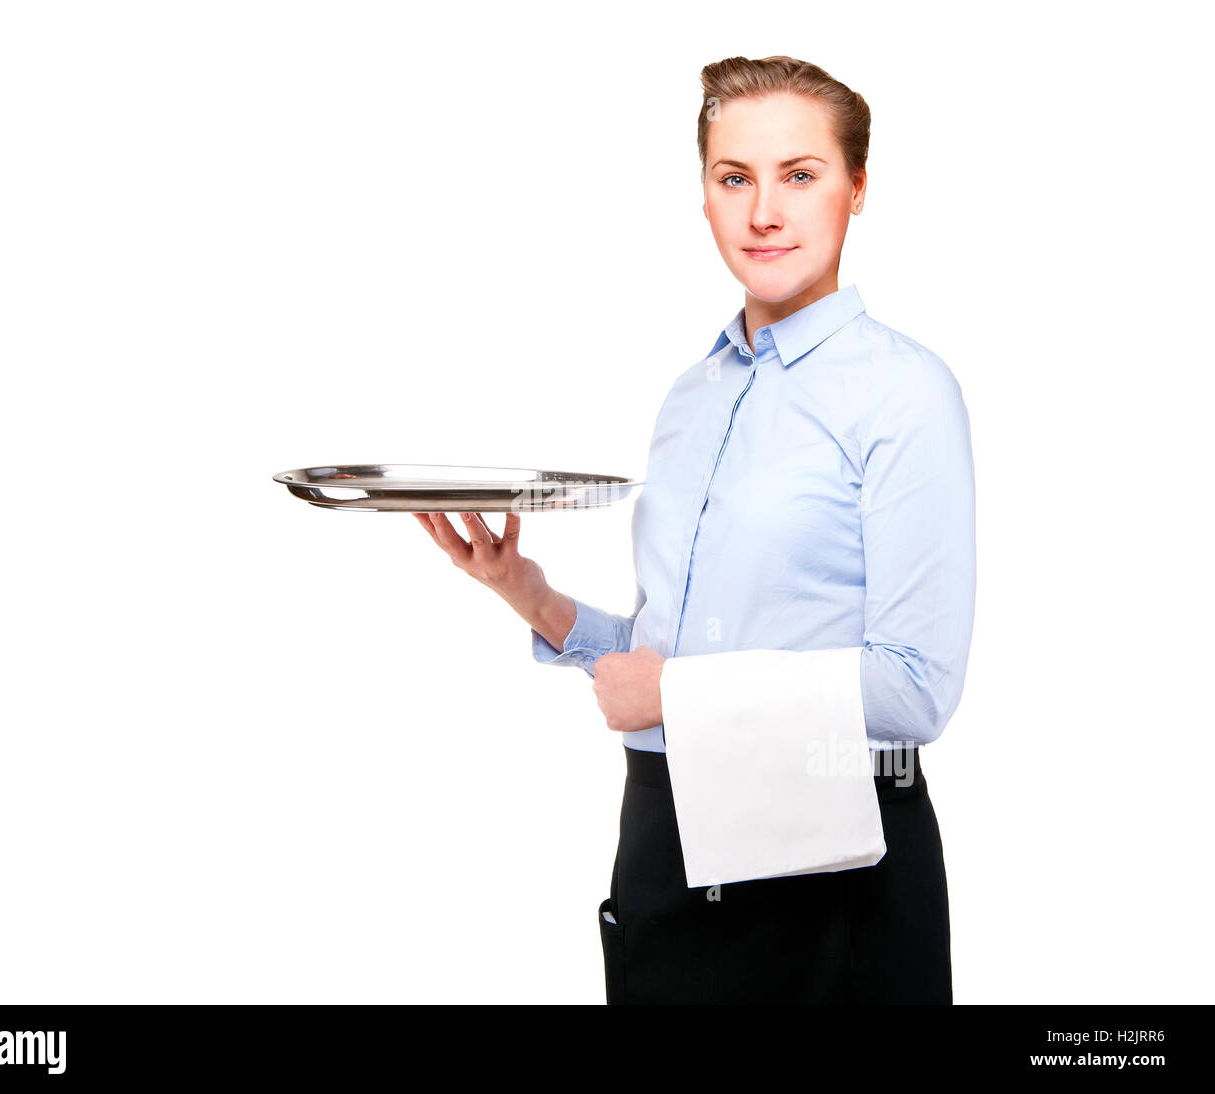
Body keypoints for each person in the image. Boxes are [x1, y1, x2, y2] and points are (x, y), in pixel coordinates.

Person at [413, 54, 975, 1005]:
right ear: (705, 198)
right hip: (665, 844)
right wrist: (532, 596)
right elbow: (657, 659)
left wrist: (675, 693)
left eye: (801, 175)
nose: (766, 211)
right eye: (735, 178)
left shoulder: (906, 394)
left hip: (829, 863)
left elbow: (915, 692)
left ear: (859, 188)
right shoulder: (691, 397)